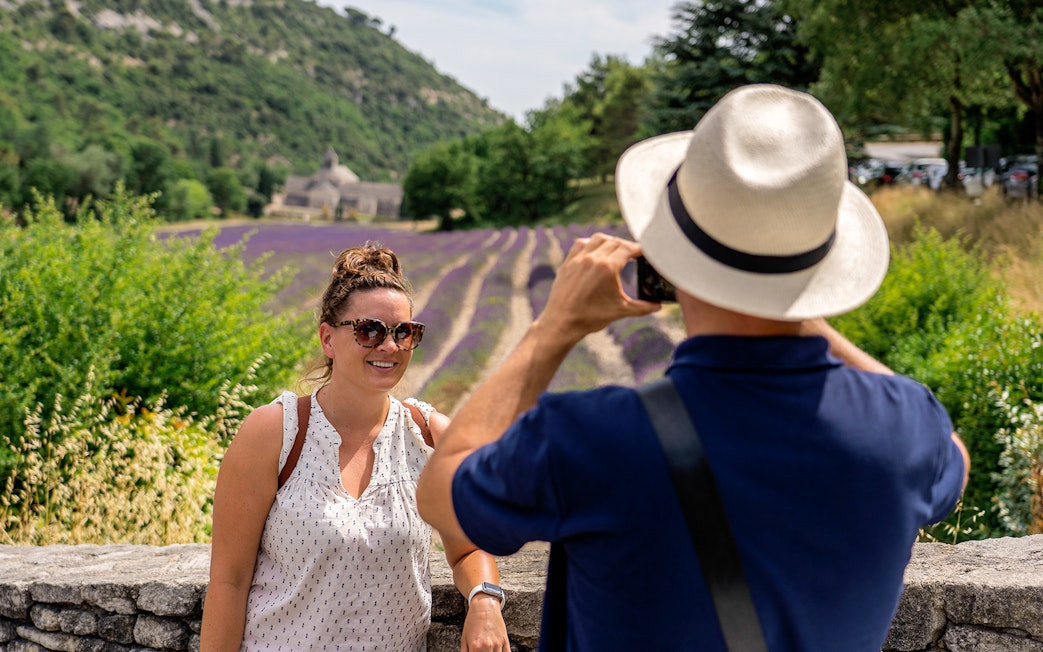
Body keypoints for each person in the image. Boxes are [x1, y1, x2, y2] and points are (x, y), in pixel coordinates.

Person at [416, 84, 970, 651]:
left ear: (671, 253)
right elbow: (955, 451)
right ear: (822, 264)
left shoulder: (591, 438)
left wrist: (553, 326)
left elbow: (440, 494)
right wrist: (797, 311)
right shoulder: (904, 428)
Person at [201, 244, 510, 651]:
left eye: (404, 332)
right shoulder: (275, 432)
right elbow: (229, 580)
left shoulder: (429, 437)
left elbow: (469, 545)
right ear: (328, 338)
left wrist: (485, 601)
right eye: (369, 330)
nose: (390, 346)